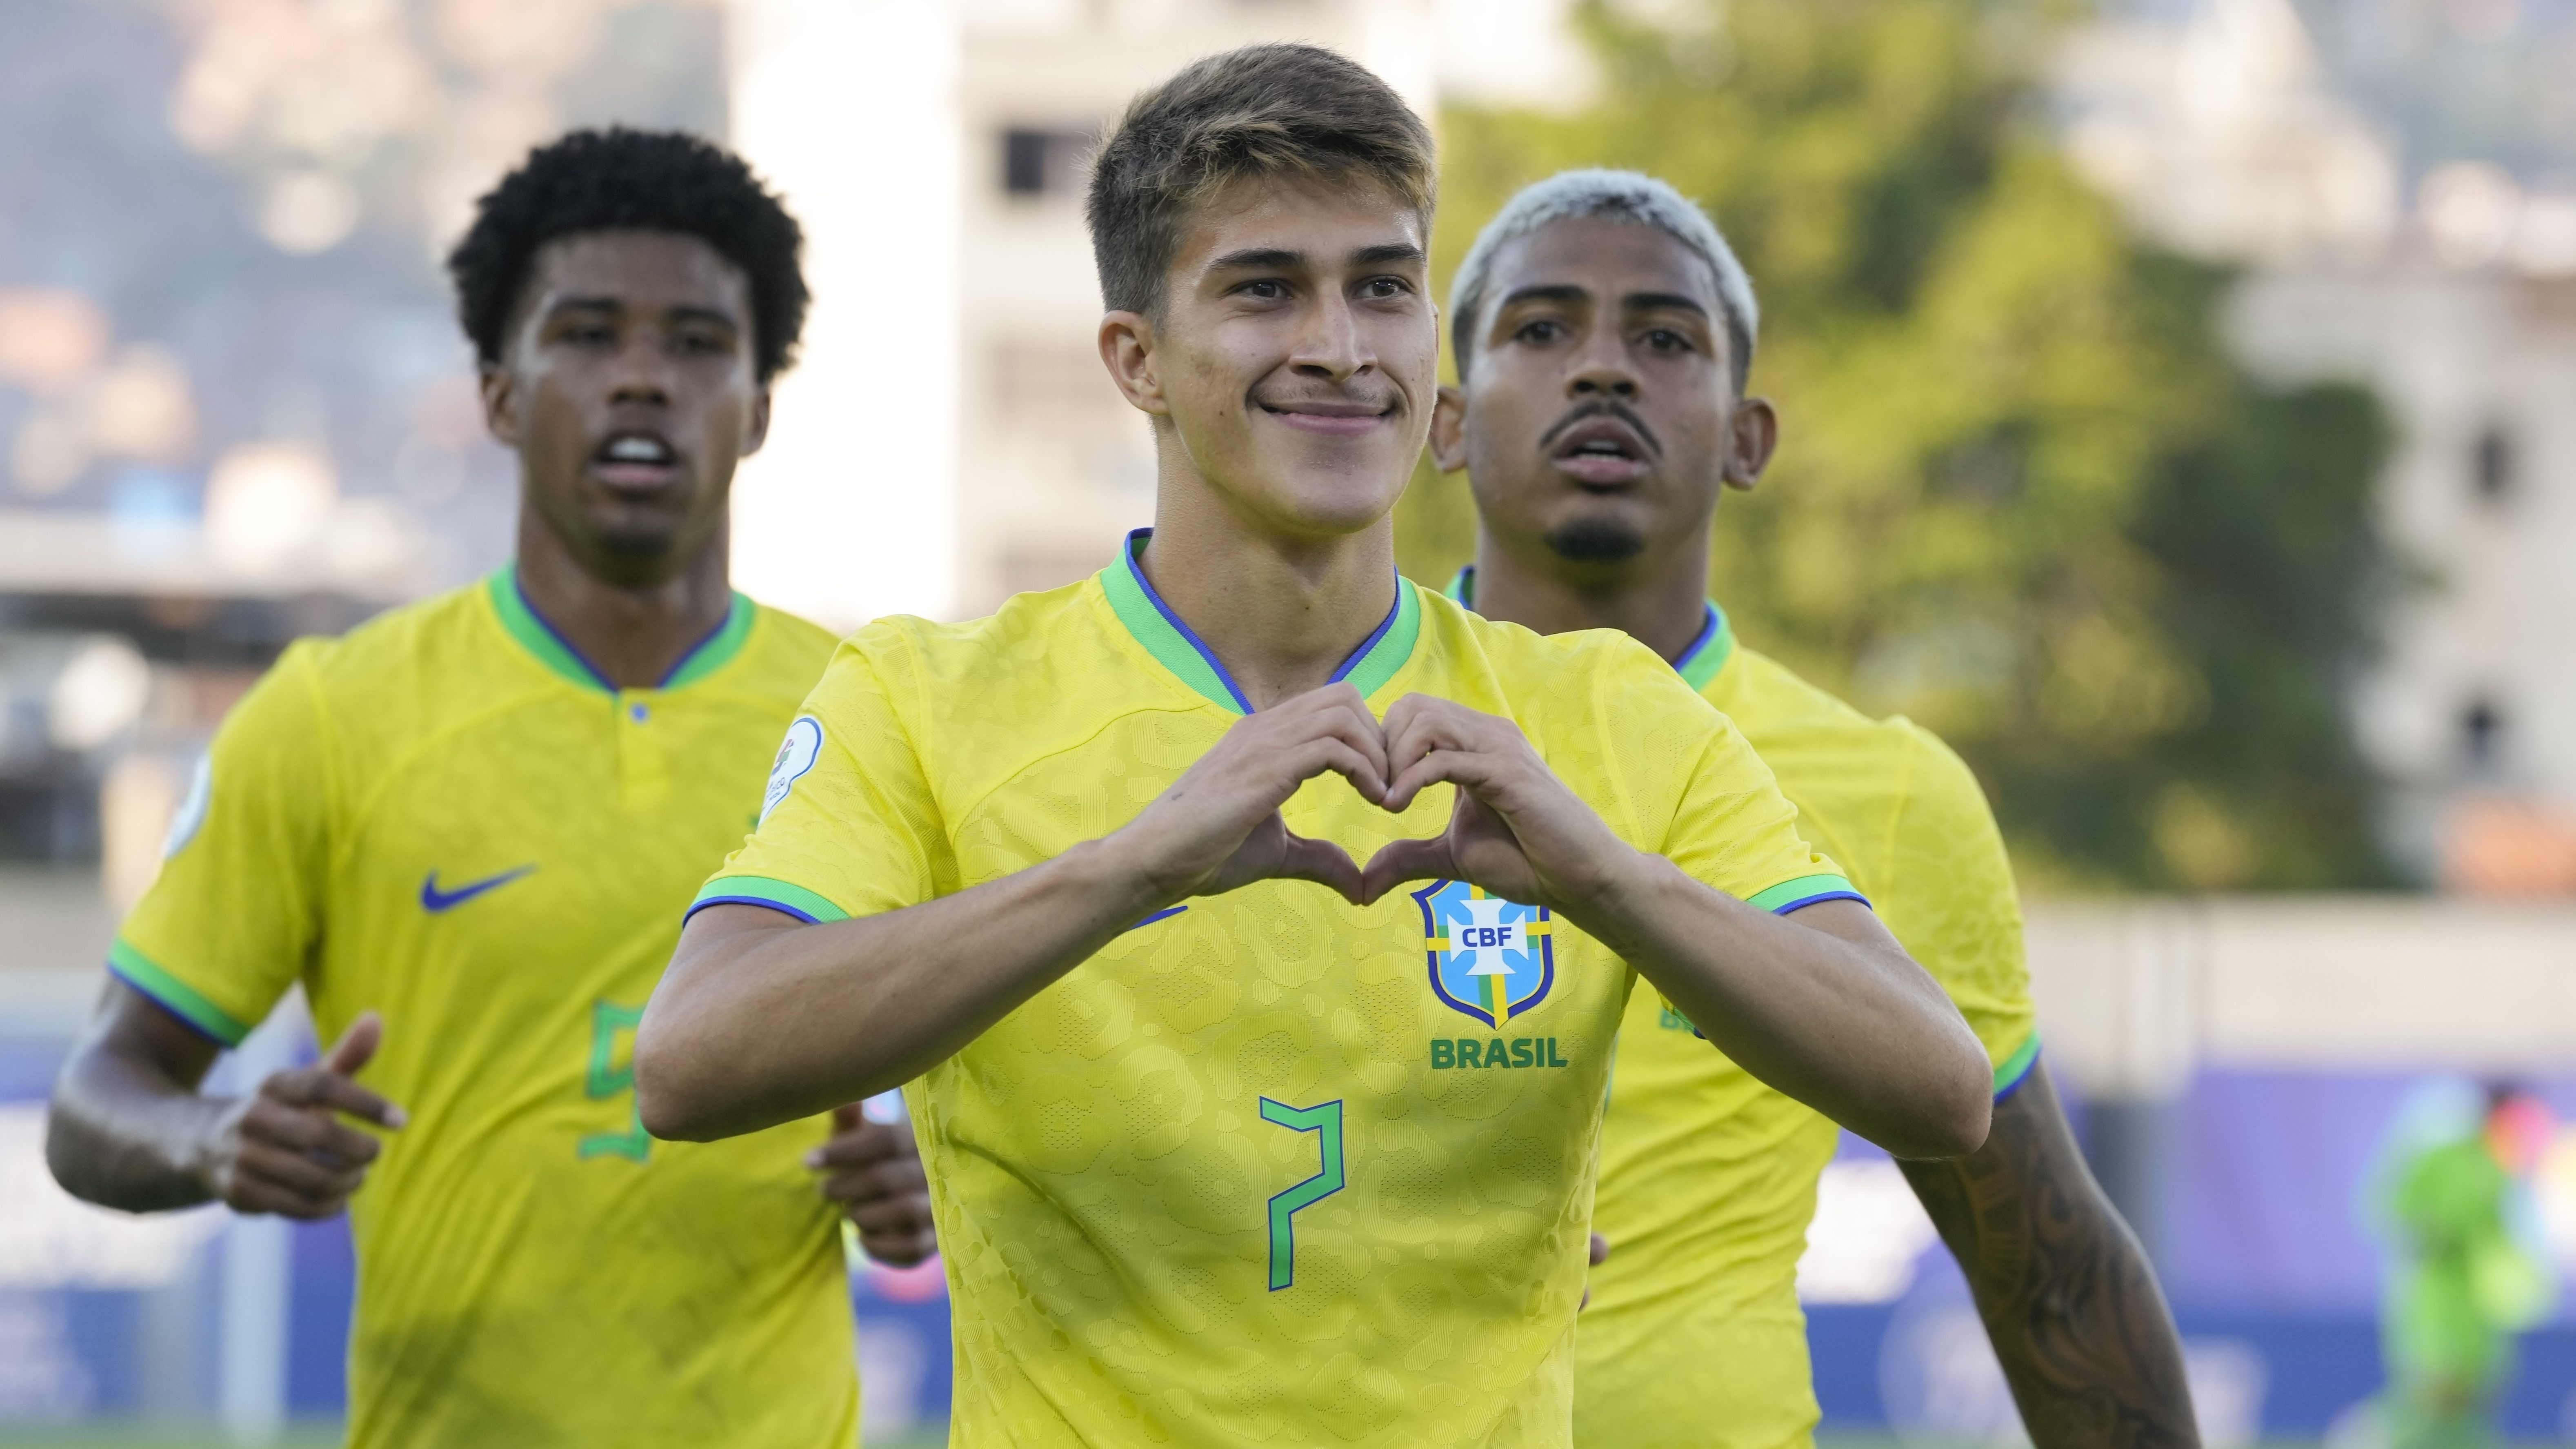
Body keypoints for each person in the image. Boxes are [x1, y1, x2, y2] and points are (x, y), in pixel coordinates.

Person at [635, 45, 1990, 1449]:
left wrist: (1608, 881)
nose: (1341, 345)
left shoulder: (1608, 715)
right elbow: (692, 1061)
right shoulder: (924, 694)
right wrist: (1128, 870)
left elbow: (1941, 1090)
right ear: (1136, 360)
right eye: (1267, 288)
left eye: (1384, 287)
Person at [44, 128, 933, 1447]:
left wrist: (941, 1173)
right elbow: (94, 1104)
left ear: (756, 405)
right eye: (586, 334)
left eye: (696, 342)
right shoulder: (336, 716)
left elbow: (1036, 1099)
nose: (642, 379)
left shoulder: (870, 714)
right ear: (501, 392)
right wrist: (216, 1139)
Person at [1427, 169, 2198, 1447]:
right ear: (1447, 421)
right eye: (1541, 328)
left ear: (1747, 436)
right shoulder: (1330, 739)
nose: (1603, 369)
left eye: (1667, 339)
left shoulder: (1889, 791)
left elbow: (2047, 1270)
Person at [2369, 1081, 2557, 1449]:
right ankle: (2373, 1434)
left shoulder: (2503, 1170)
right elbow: (2396, 1209)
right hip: (2436, 1297)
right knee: (2436, 1388)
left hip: (2479, 1307)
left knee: (2475, 1396)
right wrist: (2422, 1234)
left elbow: (2503, 1238)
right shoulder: (2444, 1155)